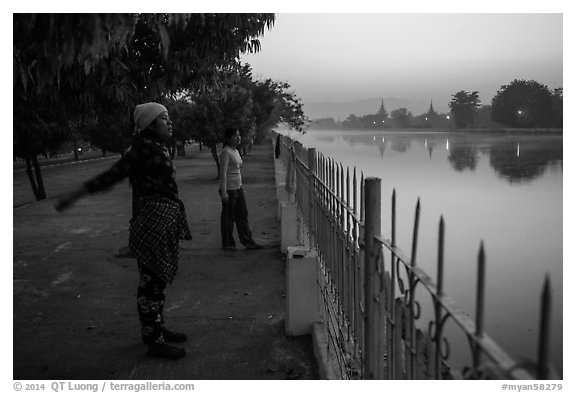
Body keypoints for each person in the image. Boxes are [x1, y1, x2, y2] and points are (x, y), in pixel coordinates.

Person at [55, 102, 191, 360]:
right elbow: (112, 175)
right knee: (151, 281)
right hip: (153, 221)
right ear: (150, 124)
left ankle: (157, 328)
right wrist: (76, 194)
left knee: (158, 279)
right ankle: (154, 340)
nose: (170, 122)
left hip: (163, 218)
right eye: (164, 118)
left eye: (169, 118)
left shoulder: (157, 146)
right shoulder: (141, 149)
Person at [219, 127, 262, 251]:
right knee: (229, 218)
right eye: (235, 135)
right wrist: (224, 192)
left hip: (238, 187)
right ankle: (227, 244)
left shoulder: (236, 151)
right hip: (229, 189)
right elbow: (223, 173)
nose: (238, 137)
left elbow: (236, 170)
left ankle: (248, 241)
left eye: (239, 135)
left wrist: (241, 185)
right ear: (228, 138)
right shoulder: (226, 152)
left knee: (242, 215)